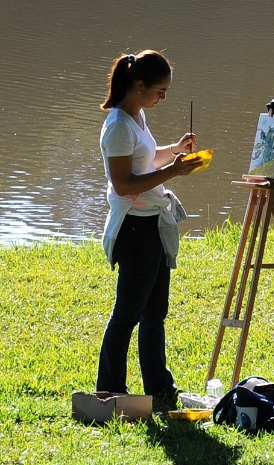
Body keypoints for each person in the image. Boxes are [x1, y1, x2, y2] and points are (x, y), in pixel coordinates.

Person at [95, 49, 197, 409]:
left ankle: (160, 388)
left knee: (155, 311)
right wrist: (174, 172)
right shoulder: (118, 126)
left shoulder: (137, 115)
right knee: (127, 313)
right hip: (134, 229)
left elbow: (146, 159)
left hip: (152, 223)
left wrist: (174, 151)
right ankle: (109, 391)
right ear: (139, 86)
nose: (163, 98)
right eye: (160, 91)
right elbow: (124, 184)